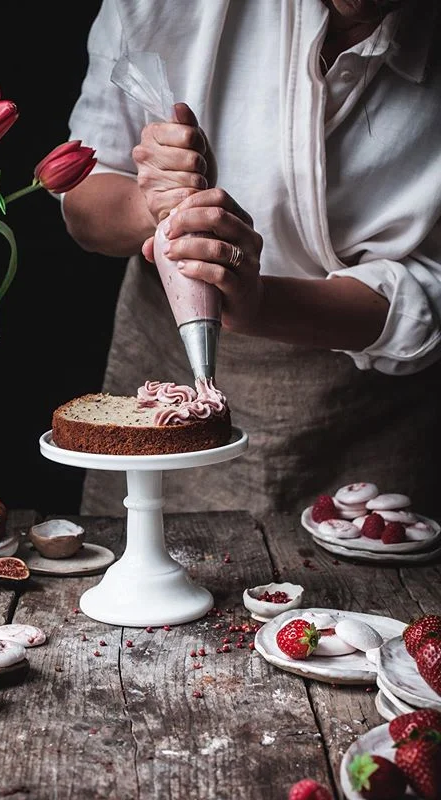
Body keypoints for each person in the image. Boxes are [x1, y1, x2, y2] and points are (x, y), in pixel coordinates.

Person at [58, 0, 441, 519]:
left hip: (370, 407)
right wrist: (151, 204)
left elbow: (430, 290)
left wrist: (258, 304)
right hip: (164, 357)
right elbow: (84, 204)